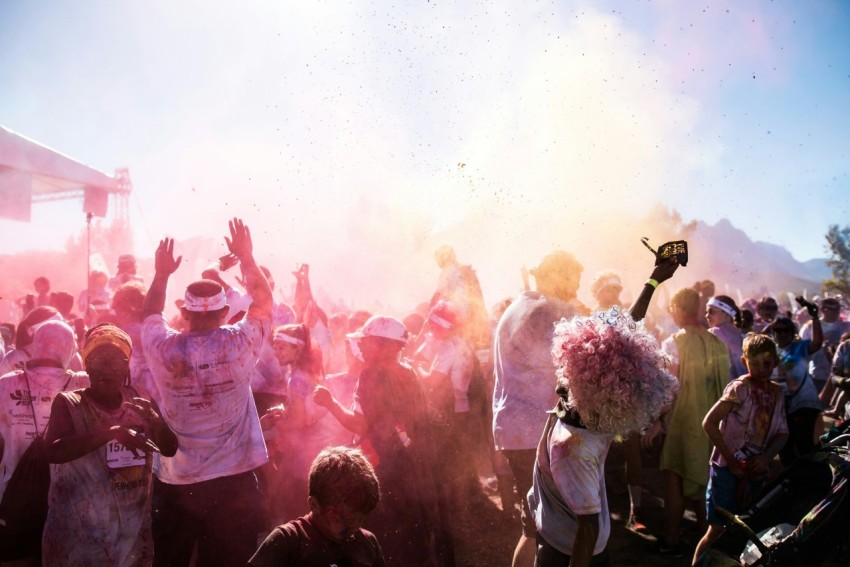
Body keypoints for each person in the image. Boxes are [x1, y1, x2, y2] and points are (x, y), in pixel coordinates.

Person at [528, 258, 680, 567]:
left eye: (573, 371)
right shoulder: (589, 410)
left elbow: (589, 525)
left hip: (568, 552)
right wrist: (653, 281)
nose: (564, 375)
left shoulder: (573, 445)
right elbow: (621, 333)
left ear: (592, 380)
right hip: (563, 538)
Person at [140, 218, 273, 567]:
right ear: (225, 312)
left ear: (183, 313)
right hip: (234, 484)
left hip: (178, 483)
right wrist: (247, 257)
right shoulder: (240, 342)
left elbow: (150, 313)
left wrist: (162, 274)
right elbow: (263, 302)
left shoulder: (163, 348)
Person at [314, 315, 448, 565]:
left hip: (383, 470)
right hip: (413, 468)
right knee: (413, 534)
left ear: (386, 345)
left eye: (367, 341)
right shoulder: (409, 372)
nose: (361, 347)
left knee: (387, 538)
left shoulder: (371, 376)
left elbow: (360, 424)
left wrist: (329, 402)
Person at [41, 324, 177, 566]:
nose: (108, 368)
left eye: (116, 361)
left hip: (131, 534)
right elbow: (53, 450)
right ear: (86, 365)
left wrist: (155, 421)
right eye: (99, 360)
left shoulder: (141, 400)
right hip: (79, 536)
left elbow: (169, 449)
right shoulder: (70, 403)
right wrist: (110, 433)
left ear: (126, 366)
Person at [492, 250, 587, 567]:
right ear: (555, 275)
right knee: (554, 533)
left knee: (533, 529)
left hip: (515, 430)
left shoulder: (518, 307)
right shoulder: (548, 309)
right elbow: (570, 365)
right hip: (539, 432)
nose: (575, 288)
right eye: (572, 280)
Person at [692, 334, 789, 565]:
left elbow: (782, 433)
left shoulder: (776, 393)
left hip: (754, 472)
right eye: (754, 364)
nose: (761, 369)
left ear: (775, 362)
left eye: (767, 363)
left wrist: (766, 458)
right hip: (726, 470)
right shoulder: (739, 388)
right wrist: (731, 461)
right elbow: (709, 422)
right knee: (717, 529)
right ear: (745, 363)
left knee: (747, 529)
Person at [646, 287, 729, 554]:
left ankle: (671, 539)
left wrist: (658, 419)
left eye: (672, 308)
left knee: (674, 478)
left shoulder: (674, 343)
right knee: (706, 482)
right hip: (713, 424)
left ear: (680, 309)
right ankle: (708, 545)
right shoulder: (717, 342)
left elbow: (669, 389)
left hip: (683, 422)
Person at [0, 320, 88, 563]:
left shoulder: (6, 384)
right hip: (69, 499)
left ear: (36, 345)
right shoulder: (82, 383)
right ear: (70, 349)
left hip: (14, 496)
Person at [248, 446, 385, 567]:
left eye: (359, 519)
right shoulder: (288, 542)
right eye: (343, 520)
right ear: (315, 505)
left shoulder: (367, 544)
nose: (353, 527)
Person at [770, 300, 823, 465]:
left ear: (791, 332)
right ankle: (791, 485)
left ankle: (815, 483)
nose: (780, 334)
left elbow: (817, 343)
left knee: (804, 445)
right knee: (785, 447)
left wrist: (815, 318)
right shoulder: (771, 352)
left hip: (804, 403)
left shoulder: (799, 347)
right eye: (777, 330)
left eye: (785, 330)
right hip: (783, 406)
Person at [706, 295, 747, 381]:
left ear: (727, 313)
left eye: (711, 311)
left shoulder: (713, 333)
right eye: (706, 312)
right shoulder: (741, 335)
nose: (707, 315)